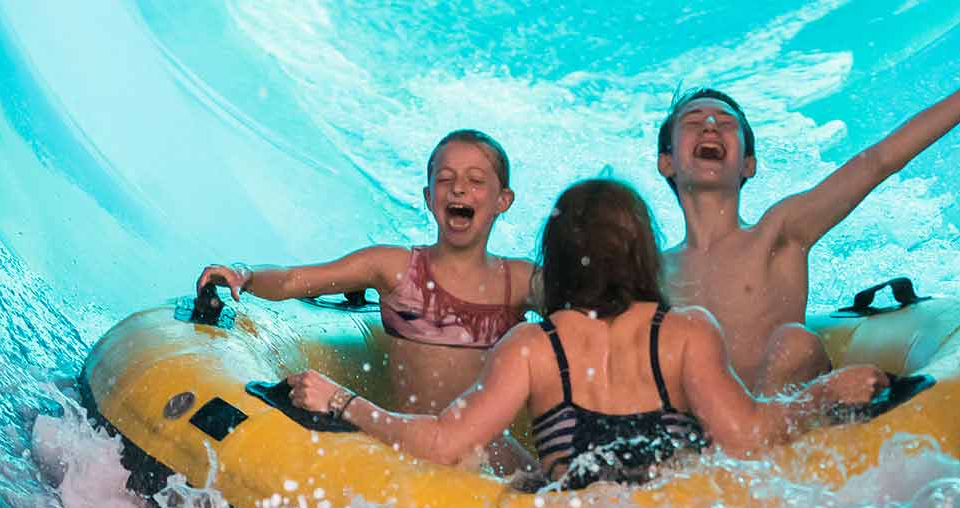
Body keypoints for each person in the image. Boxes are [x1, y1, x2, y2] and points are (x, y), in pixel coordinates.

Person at [285, 179, 886, 489]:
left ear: (561, 257)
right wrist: (825, 395)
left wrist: (345, 403)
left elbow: (446, 442)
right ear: (644, 252)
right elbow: (748, 436)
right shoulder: (685, 331)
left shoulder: (531, 345)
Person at [656, 15, 960, 394]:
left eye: (725, 123)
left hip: (786, 415)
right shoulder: (649, 271)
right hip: (703, 437)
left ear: (749, 163)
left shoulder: (778, 232)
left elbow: (878, 161)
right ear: (667, 161)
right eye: (693, 123)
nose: (710, 125)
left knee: (794, 343)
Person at [197, 129, 539, 475]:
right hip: (408, 441)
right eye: (445, 178)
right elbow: (294, 279)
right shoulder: (394, 269)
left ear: (503, 200)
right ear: (427, 195)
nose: (459, 188)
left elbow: (585, 315)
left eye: (476, 180)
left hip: (491, 456)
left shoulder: (520, 281)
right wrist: (246, 275)